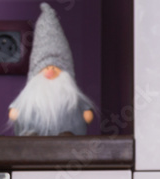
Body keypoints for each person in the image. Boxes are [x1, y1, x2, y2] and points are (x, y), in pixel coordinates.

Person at [8, 3, 95, 136]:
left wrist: (86, 113)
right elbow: (14, 112)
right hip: (30, 148)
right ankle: (31, 136)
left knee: (67, 140)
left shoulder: (72, 97)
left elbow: (87, 114)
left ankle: (67, 136)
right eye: (45, 67)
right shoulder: (30, 95)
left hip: (68, 147)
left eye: (55, 67)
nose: (50, 71)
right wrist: (16, 111)